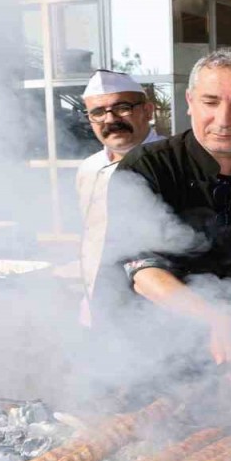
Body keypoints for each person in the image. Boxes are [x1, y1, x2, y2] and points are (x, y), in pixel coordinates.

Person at [95, 48, 231, 363]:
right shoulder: (148, 165)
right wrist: (216, 319)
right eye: (210, 102)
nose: (224, 119)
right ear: (190, 102)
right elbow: (143, 269)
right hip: (143, 347)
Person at [76, 70, 165, 327]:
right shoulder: (88, 169)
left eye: (122, 107)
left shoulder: (172, 163)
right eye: (98, 112)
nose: (110, 119)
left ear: (148, 111)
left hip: (157, 317)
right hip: (100, 309)